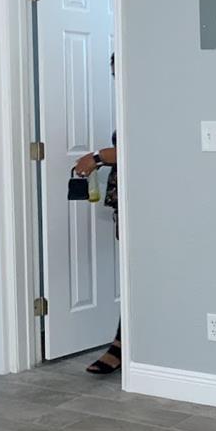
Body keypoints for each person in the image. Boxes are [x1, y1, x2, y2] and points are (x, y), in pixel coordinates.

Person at [74, 53, 121, 374]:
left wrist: (97, 157)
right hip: (127, 198)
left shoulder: (152, 100)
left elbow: (138, 145)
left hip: (149, 198)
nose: (117, 76)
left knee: (139, 272)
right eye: (114, 71)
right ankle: (124, 343)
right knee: (132, 271)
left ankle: (121, 345)